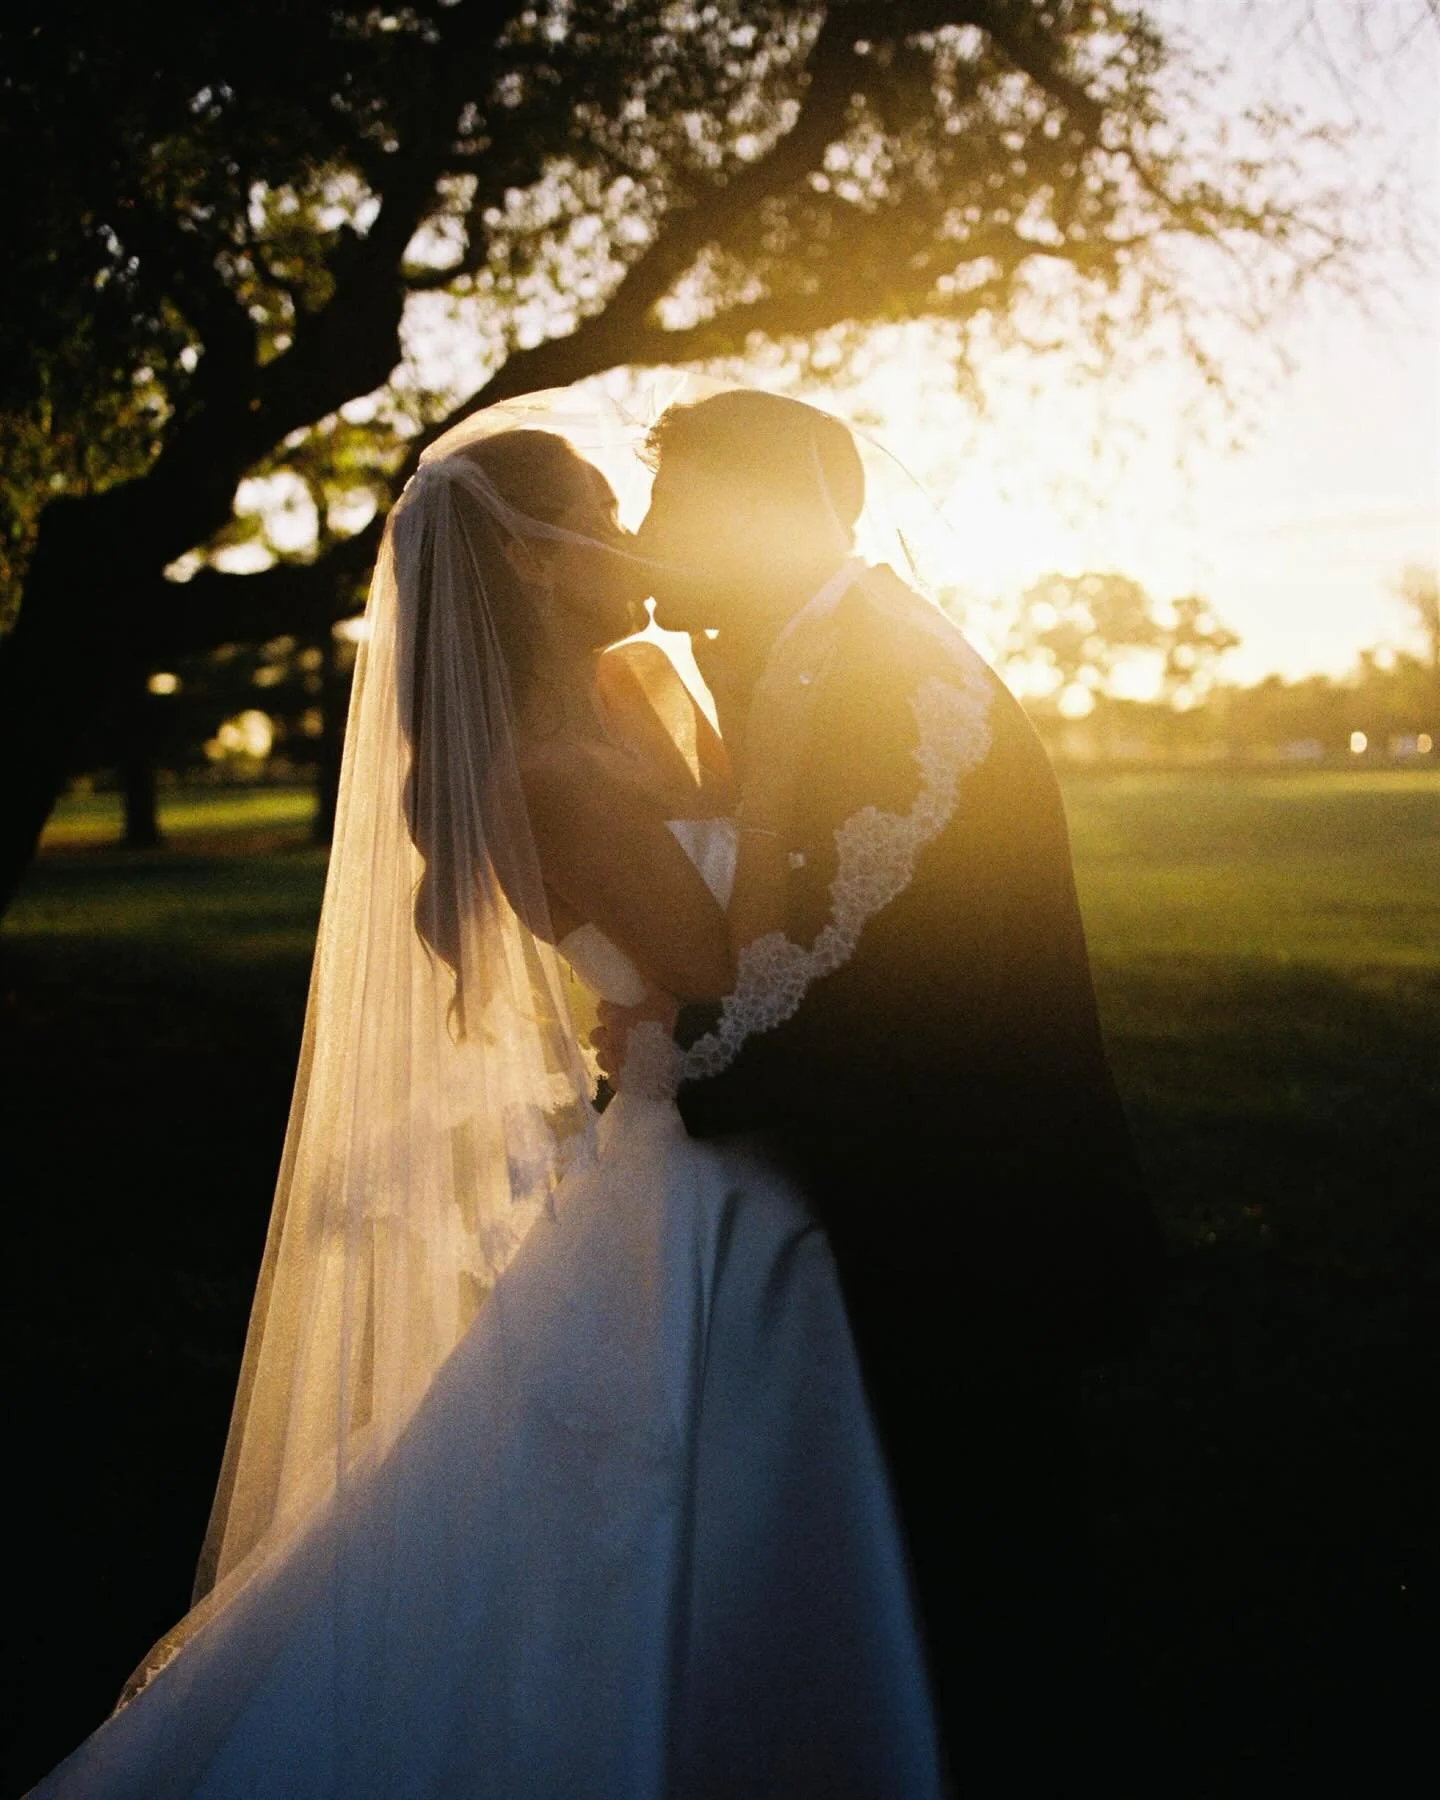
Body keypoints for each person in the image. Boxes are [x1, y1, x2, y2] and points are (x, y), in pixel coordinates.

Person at [29, 404, 942, 1799]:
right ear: (527, 559)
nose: (629, 534)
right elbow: (717, 965)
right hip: (692, 1160)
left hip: (719, 1106)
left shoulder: (643, 687)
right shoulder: (544, 773)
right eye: (596, 506)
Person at [602, 388, 1163, 1786]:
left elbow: (857, 997)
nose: (647, 539)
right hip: (919, 1198)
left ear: (764, 514)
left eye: (672, 508)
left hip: (975, 1217)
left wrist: (664, 1061)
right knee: (943, 1575)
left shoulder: (893, 683)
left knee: (995, 1591)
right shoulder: (819, 652)